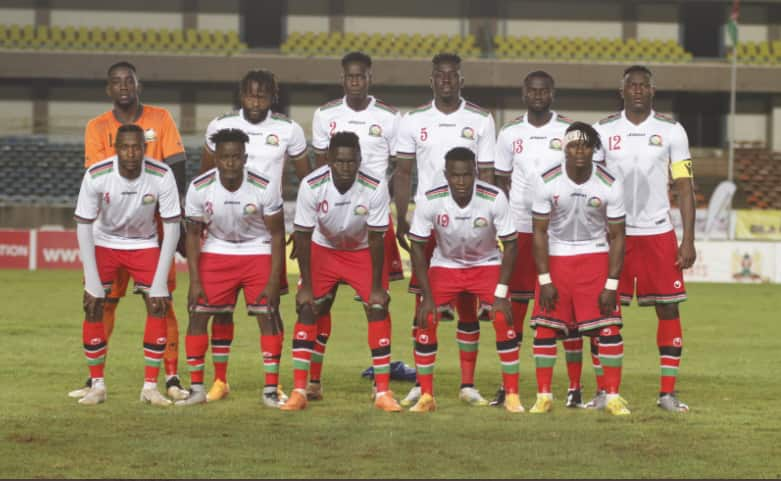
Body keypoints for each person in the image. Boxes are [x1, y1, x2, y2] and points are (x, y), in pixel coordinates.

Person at [71, 61, 188, 402]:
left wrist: (170, 216)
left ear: (138, 85)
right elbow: (98, 177)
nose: (123, 86)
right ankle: (96, 381)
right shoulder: (96, 127)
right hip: (109, 228)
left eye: (129, 81)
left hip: (151, 227)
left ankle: (171, 377)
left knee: (161, 302)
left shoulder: (161, 118)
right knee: (102, 303)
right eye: (116, 82)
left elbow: (176, 166)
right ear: (109, 89)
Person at [197, 69, 309, 402]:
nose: (255, 101)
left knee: (269, 310)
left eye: (262, 95)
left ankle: (272, 386)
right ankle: (220, 380)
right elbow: (204, 176)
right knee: (220, 310)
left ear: (273, 96)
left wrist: (301, 227)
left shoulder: (289, 130)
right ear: (240, 95)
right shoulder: (219, 126)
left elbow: (307, 182)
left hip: (265, 233)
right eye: (250, 94)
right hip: (221, 231)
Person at [394, 53, 497, 407]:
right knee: (425, 304)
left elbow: (487, 174)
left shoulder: (481, 120)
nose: (447, 81)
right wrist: (402, 216)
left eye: (453, 75)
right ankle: (422, 385)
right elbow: (404, 172)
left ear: (461, 80)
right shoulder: (413, 120)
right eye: (440, 75)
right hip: (429, 219)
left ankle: (468, 385)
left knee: (468, 305)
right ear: (432, 79)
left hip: (470, 217)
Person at [592, 65, 695, 413]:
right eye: (630, 85)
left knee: (668, 307)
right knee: (605, 310)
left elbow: (683, 186)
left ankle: (667, 393)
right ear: (621, 92)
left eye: (643, 85)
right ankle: (606, 392)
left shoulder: (671, 130)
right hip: (615, 234)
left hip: (657, 233)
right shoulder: (603, 130)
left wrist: (688, 239)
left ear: (653, 91)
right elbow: (591, 183)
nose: (637, 90)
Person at [280, 132, 400, 412]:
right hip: (325, 248)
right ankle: (302, 389)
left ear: (360, 159)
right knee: (309, 307)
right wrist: (306, 285)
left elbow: (376, 237)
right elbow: (302, 234)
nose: (346, 167)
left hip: (361, 250)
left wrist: (377, 286)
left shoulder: (374, 184)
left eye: (351, 161)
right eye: (340, 161)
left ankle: (382, 391)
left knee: (378, 306)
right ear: (330, 160)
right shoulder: (312, 184)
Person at [309, 51, 405, 400]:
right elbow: (321, 168)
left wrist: (382, 196)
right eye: (350, 77)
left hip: (373, 220)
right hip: (332, 221)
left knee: (378, 302)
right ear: (343, 79)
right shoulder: (325, 115)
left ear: (369, 78)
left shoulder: (391, 118)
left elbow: (402, 166)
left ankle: (383, 388)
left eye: (361, 76)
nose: (355, 82)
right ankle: (313, 382)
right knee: (321, 301)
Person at [493, 70, 590, 408]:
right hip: (519, 228)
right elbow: (500, 181)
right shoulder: (508, 133)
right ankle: (510, 387)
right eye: (532, 90)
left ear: (553, 93)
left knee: (566, 312)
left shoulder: (568, 131)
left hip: (558, 231)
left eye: (544, 90)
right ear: (524, 93)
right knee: (514, 307)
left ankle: (574, 388)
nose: (538, 95)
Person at [176, 128, 286, 407]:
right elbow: (191, 235)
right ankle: (198, 389)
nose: (230, 162)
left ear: (245, 157)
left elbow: (276, 234)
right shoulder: (199, 187)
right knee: (199, 314)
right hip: (217, 249)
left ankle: (271, 390)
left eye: (236, 156)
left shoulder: (264, 185)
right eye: (224, 157)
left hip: (257, 249)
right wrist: (195, 281)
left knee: (268, 315)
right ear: (215, 158)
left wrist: (274, 280)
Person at [406, 147, 520, 413]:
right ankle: (426, 395)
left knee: (504, 318)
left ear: (475, 173)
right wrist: (427, 297)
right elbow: (416, 246)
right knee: (426, 318)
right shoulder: (430, 199)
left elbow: (511, 244)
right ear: (446, 175)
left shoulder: (494, 197)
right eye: (455, 176)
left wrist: (501, 294)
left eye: (466, 175)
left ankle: (512, 394)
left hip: (486, 263)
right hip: (446, 265)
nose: (460, 182)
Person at [527, 122, 627, 415]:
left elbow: (619, 235)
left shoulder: (610, 182)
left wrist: (611, 284)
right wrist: (544, 278)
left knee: (608, 329)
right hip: (556, 257)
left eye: (585, 145)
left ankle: (612, 397)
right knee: (546, 327)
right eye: (573, 145)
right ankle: (544, 396)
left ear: (594, 149)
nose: (579, 150)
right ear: (564, 148)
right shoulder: (546, 180)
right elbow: (539, 233)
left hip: (594, 255)